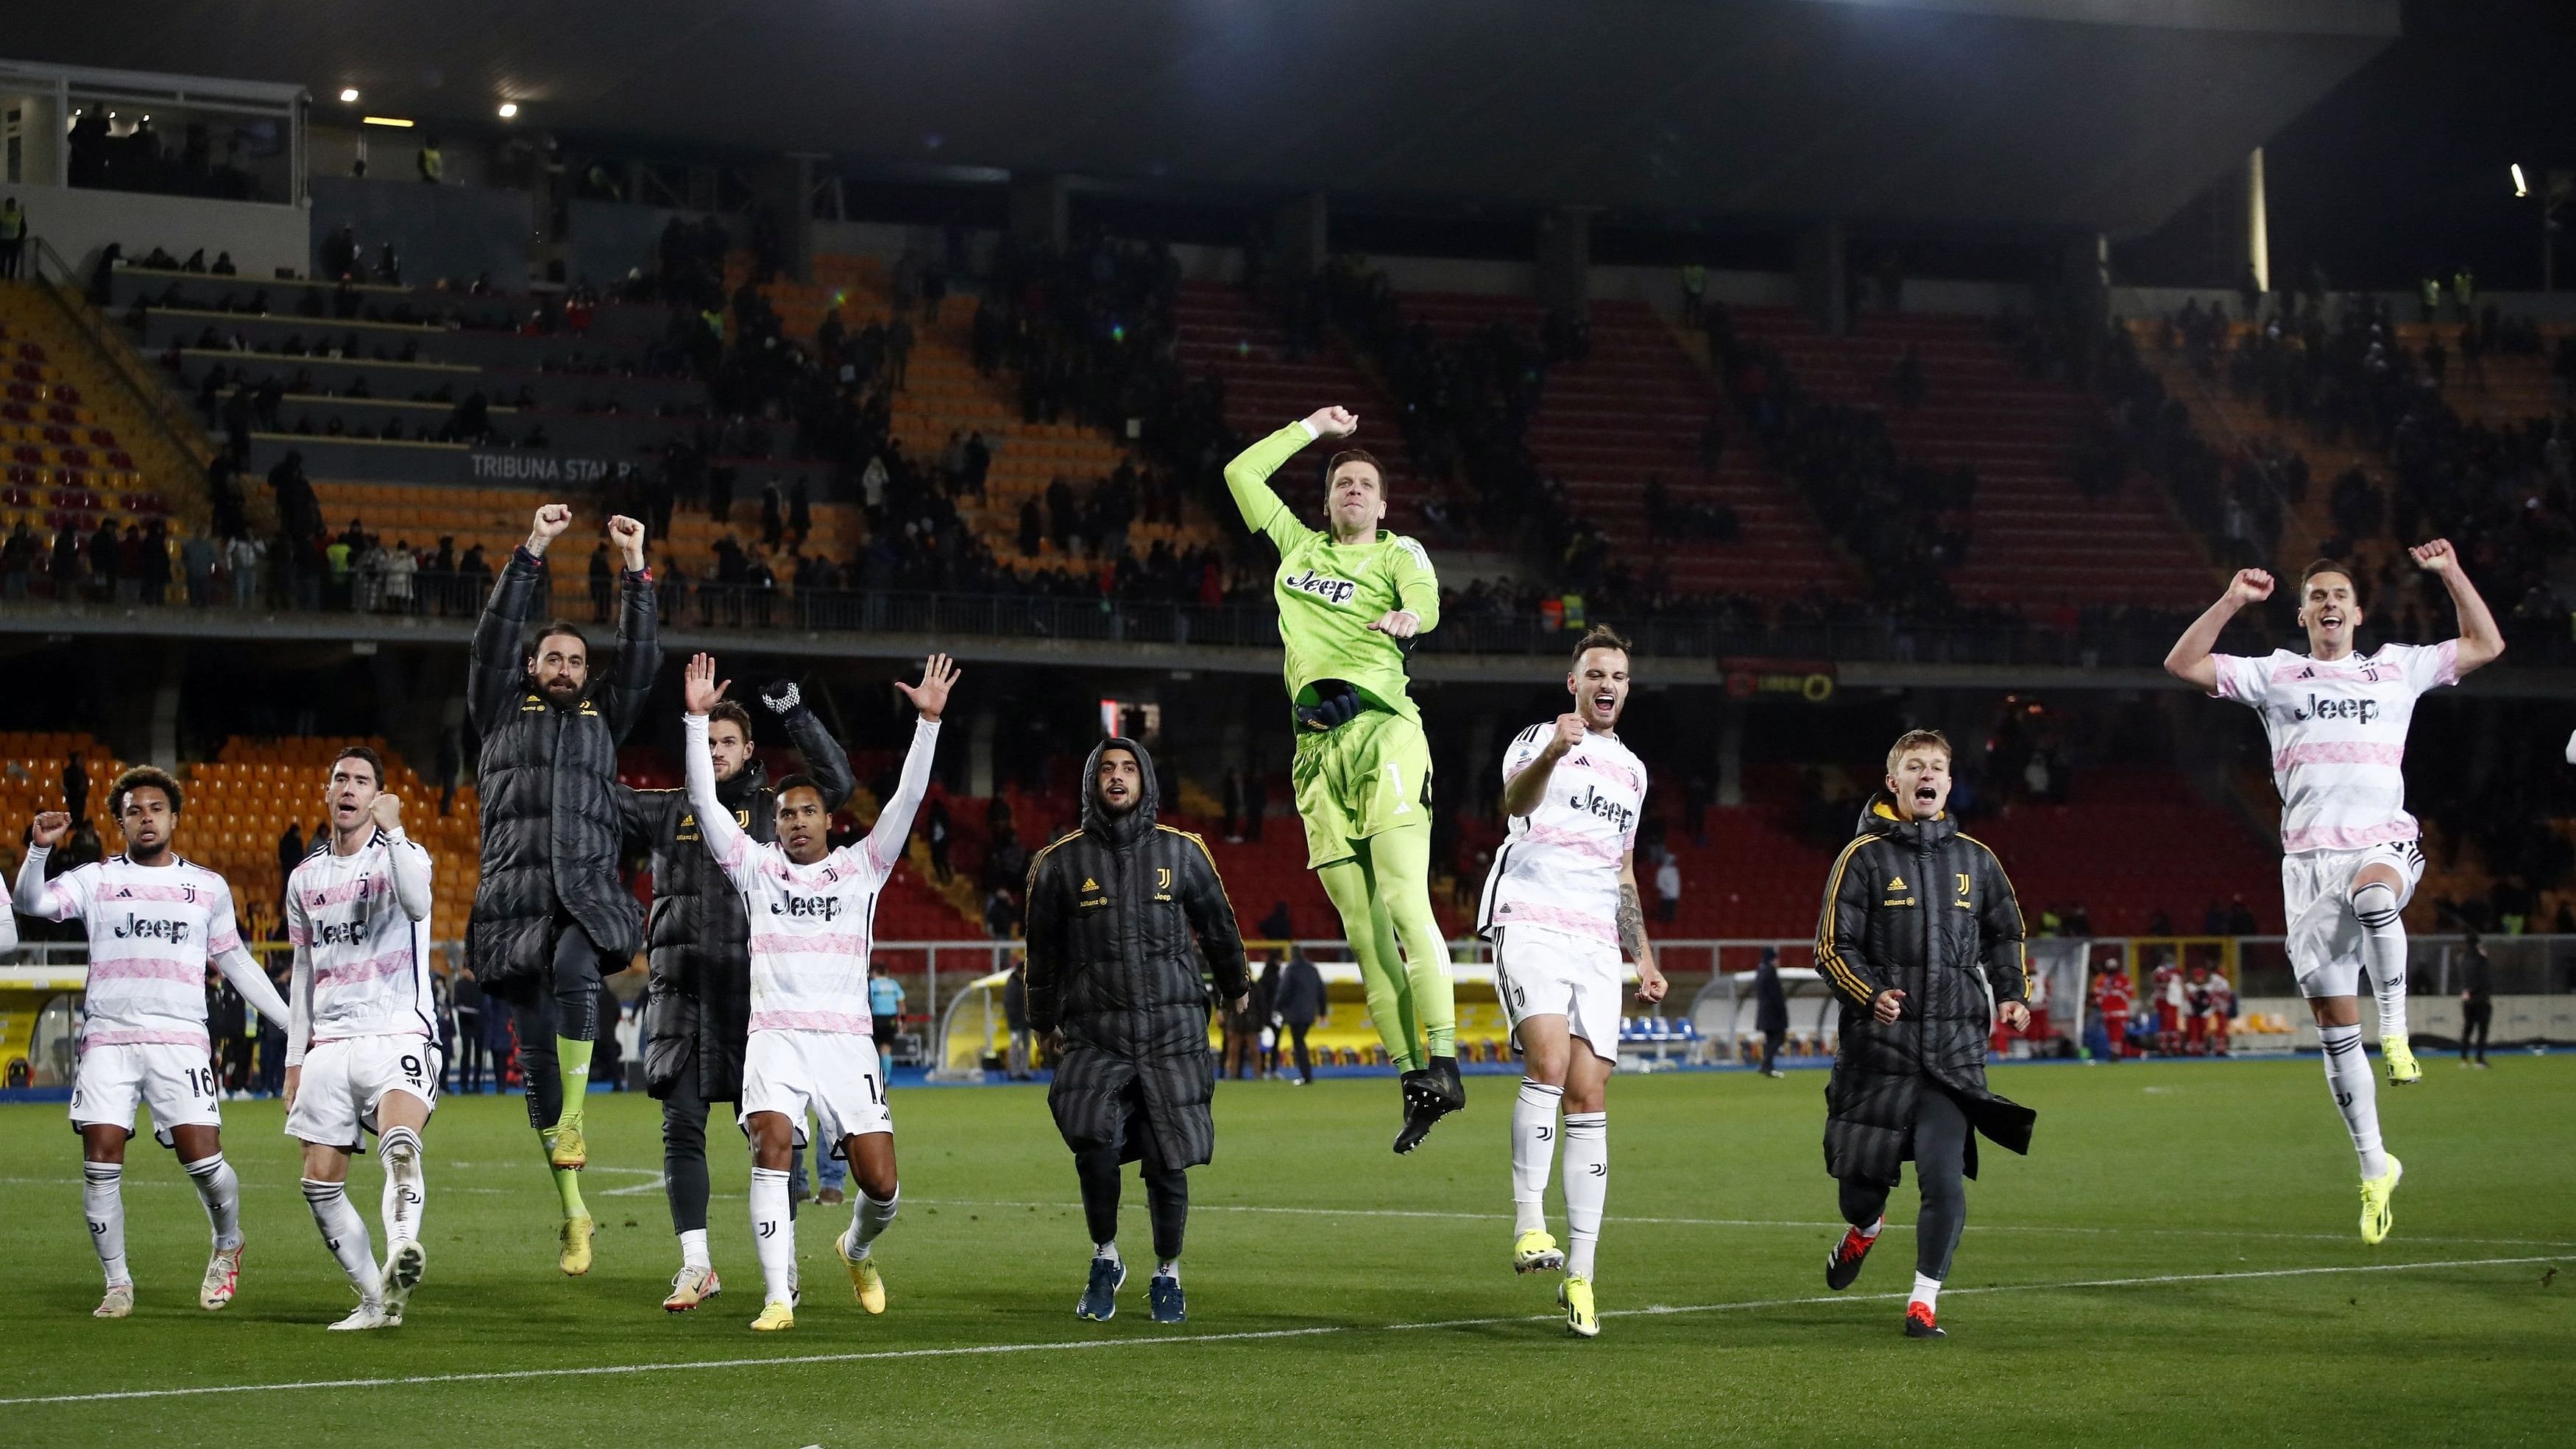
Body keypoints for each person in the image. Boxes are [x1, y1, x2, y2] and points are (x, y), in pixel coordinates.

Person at [2164, 545, 2502, 1242]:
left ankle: (2399, 1032)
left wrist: (2451, 574)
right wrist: (2230, 600)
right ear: (2303, 612)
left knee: (2378, 899)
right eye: (2317, 595)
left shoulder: (2396, 666)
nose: (2328, 604)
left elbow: (2485, 643)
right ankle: (2376, 1165)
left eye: (2339, 594)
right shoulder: (2278, 674)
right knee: (2331, 1026)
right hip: (2306, 864)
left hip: (2380, 842)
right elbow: (2182, 665)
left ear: (2357, 610)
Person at [680, 650, 953, 1331]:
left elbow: (908, 800)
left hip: (845, 1044)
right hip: (775, 1038)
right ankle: (778, 1295)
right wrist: (694, 719)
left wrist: (928, 725)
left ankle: (856, 1247)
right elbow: (703, 802)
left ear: (829, 820)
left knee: (881, 1184)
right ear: (773, 824)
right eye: (786, 813)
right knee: (770, 1144)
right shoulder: (754, 869)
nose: (797, 820)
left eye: (809, 811)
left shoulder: (864, 867)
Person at [1222, 405, 1459, 1152]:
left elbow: (1425, 599)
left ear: (1382, 504)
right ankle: (1413, 1077)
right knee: (1362, 935)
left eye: (1365, 483)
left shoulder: (1397, 555)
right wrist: (1309, 429)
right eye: (1341, 482)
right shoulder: (1295, 545)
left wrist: (1409, 622)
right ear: (1324, 501)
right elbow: (1238, 474)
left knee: (1400, 899)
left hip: (1381, 730)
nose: (1353, 490)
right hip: (1314, 753)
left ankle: (1447, 1058)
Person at [15, 770, 291, 1319]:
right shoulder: (95, 879)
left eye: (156, 808)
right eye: (135, 809)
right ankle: (117, 1282)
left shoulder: (206, 887)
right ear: (121, 820)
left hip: (180, 1038)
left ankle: (228, 1241)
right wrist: (38, 851)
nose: (147, 817)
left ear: (174, 817)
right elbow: (33, 903)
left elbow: (234, 960)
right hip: (109, 1038)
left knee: (204, 1158)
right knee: (100, 1157)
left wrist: (292, 1024)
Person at [464, 503, 658, 1275]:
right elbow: (487, 641)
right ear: (531, 667)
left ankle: (576, 1120)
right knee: (535, 1068)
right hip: (513, 908)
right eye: (554, 656)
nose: (567, 666)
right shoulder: (498, 709)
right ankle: (574, 1215)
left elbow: (641, 658)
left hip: (584, 893)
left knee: (580, 970)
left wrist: (635, 568)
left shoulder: (603, 720)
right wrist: (535, 549)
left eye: (577, 659)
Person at [619, 675, 852, 1312]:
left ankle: (787, 1265)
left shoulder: (780, 809)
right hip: (684, 992)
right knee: (682, 1125)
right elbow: (591, 801)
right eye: (710, 739)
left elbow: (838, 784)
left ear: (750, 750)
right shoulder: (671, 807)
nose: (718, 750)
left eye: (730, 741)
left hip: (758, 999)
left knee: (775, 1136)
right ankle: (697, 1264)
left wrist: (796, 714)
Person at [1476, 626, 1668, 1337]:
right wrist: (1557, 751)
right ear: (1574, 682)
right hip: (1528, 916)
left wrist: (1641, 953)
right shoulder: (1538, 738)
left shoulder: (1635, 772)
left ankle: (1582, 1276)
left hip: (1595, 939)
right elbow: (1515, 805)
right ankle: (1530, 1225)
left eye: (1618, 674)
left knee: (1591, 1093)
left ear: (1627, 685)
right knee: (1550, 1063)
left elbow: (1621, 871)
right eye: (1595, 673)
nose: (1607, 684)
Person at [1816, 730, 2034, 1339]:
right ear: (1895, 781)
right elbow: (1831, 948)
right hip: (1876, 1057)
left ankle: (1923, 1300)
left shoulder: (1977, 859)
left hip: (1953, 1054)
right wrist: (1869, 994)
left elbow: (2003, 933)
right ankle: (1865, 1229)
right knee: (1858, 1190)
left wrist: (2013, 993)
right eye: (1916, 766)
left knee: (1942, 1178)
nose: (1927, 774)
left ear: (1948, 780)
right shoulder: (1860, 858)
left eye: (1937, 765)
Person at [1024, 736, 1248, 1325]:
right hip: (1096, 1035)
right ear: (1091, 783)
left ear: (1146, 780)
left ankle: (1167, 1272)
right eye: (1106, 769)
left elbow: (1219, 925)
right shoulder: (1060, 863)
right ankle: (1105, 1256)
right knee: (1094, 1148)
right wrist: (1041, 1022)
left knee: (1166, 1159)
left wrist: (1237, 982)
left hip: (1173, 1033)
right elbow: (1041, 955)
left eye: (1128, 768)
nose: (1117, 777)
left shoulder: (1186, 852)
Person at [280, 747, 438, 1331]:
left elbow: (419, 905)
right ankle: (377, 1300)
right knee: (319, 1183)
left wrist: (395, 832)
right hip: (329, 1043)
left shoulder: (405, 854)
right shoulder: (305, 878)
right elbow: (302, 971)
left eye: (361, 780)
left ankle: (402, 1250)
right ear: (327, 793)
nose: (348, 787)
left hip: (396, 1028)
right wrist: (295, 1059)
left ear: (377, 796)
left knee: (400, 1144)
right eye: (340, 778)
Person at [1270, 945, 1326, 1086]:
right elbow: (1321, 991)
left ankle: (1306, 1076)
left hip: (1295, 1014)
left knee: (1299, 1043)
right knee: (1301, 1042)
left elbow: (1284, 991)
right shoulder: (1312, 969)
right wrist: (1322, 1012)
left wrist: (1277, 1008)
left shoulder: (1291, 969)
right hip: (1309, 1014)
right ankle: (1306, 1075)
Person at [1753, 946, 1789, 1077]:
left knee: (1770, 1040)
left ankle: (1767, 1066)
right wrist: (1782, 1013)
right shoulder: (1770, 972)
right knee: (1779, 1038)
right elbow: (1776, 995)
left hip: (1764, 1013)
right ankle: (1766, 1064)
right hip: (1773, 1014)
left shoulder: (1760, 971)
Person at [2458, 932, 2492, 1067]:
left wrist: (2467, 991)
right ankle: (2479, 1059)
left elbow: (2464, 978)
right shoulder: (2481, 959)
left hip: (2467, 999)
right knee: (2482, 1030)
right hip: (2481, 998)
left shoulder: (2463, 959)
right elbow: (2483, 979)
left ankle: (2464, 1059)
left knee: (2467, 1029)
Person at [869, 971, 905, 1048]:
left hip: (876, 1018)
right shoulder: (894, 984)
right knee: (887, 1045)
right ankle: (886, 1059)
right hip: (891, 1019)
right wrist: (903, 1021)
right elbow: (901, 1003)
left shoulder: (872, 984)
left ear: (875, 973)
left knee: (875, 1046)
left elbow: (868, 1001)